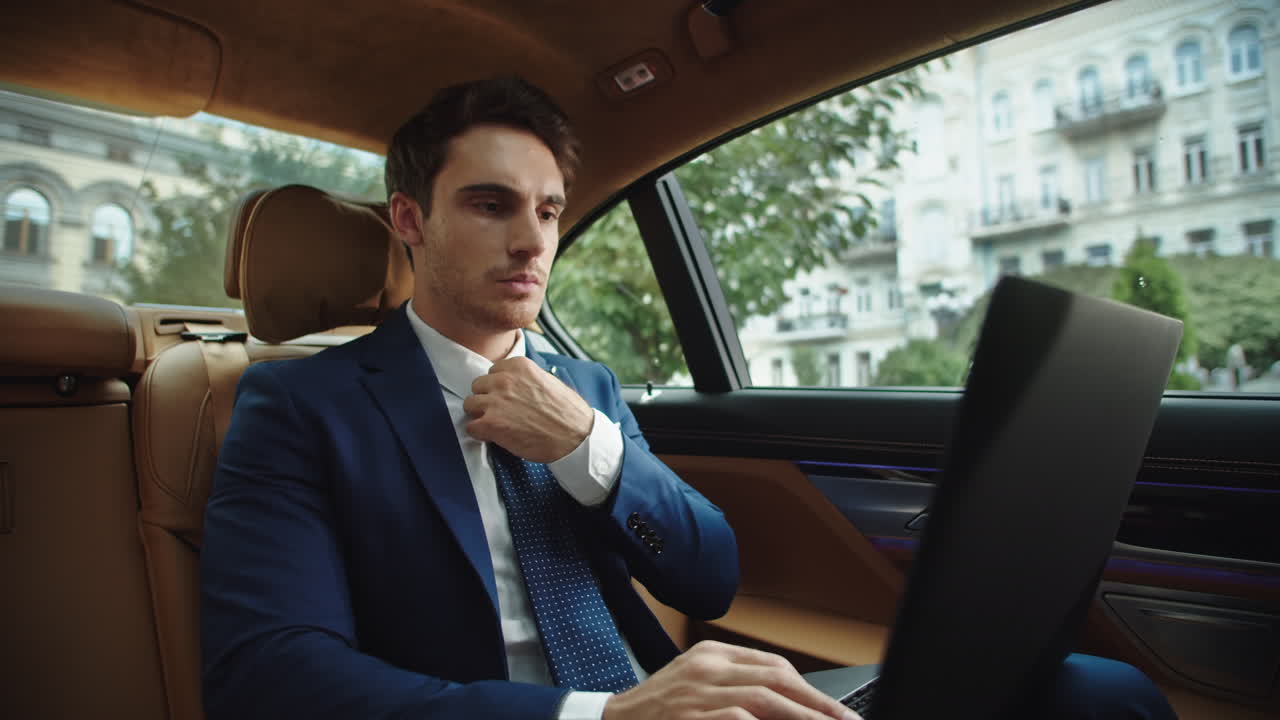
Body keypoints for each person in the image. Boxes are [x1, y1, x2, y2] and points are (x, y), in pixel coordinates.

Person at [201, 76, 1174, 720]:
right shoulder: (298, 406)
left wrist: (590, 445)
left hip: (663, 704)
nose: (532, 241)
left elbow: (708, 578)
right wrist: (607, 714)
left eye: (547, 210)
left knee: (1094, 692)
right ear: (409, 222)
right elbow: (268, 674)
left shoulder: (582, 385)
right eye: (490, 204)